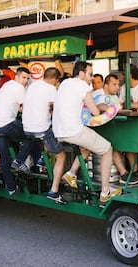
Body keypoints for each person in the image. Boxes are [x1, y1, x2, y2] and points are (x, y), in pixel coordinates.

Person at [52, 61, 122, 203]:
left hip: (59, 131)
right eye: (90, 74)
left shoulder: (65, 83)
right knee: (107, 149)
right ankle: (105, 192)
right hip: (73, 130)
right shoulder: (82, 86)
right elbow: (95, 112)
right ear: (81, 73)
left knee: (87, 147)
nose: (91, 78)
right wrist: (104, 107)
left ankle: (71, 173)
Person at [0, 67, 38, 196]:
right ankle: (19, 162)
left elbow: (16, 106)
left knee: (4, 157)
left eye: (27, 78)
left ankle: (11, 188)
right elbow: (26, 110)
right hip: (5, 123)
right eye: (23, 77)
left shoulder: (7, 85)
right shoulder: (19, 88)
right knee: (31, 134)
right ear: (17, 76)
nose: (25, 81)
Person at [22, 67, 66, 204]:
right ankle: (54, 191)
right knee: (61, 156)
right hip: (41, 129)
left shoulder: (32, 86)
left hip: (27, 129)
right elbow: (58, 109)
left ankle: (42, 159)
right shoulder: (51, 89)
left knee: (51, 134)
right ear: (54, 79)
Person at [117, 64, 138, 183]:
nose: (121, 76)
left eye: (123, 74)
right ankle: (135, 171)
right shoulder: (123, 88)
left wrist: (127, 104)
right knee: (128, 145)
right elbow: (119, 105)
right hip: (129, 122)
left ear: (130, 75)